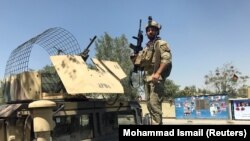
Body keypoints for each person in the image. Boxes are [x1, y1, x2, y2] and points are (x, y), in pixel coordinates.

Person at [132, 16, 172, 125]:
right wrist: (135, 54)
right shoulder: (146, 48)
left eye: (153, 30)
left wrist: (158, 73)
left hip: (155, 78)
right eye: (148, 30)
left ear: (157, 31)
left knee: (155, 105)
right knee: (149, 105)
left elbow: (166, 59)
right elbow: (139, 64)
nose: (150, 31)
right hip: (147, 79)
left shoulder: (161, 43)